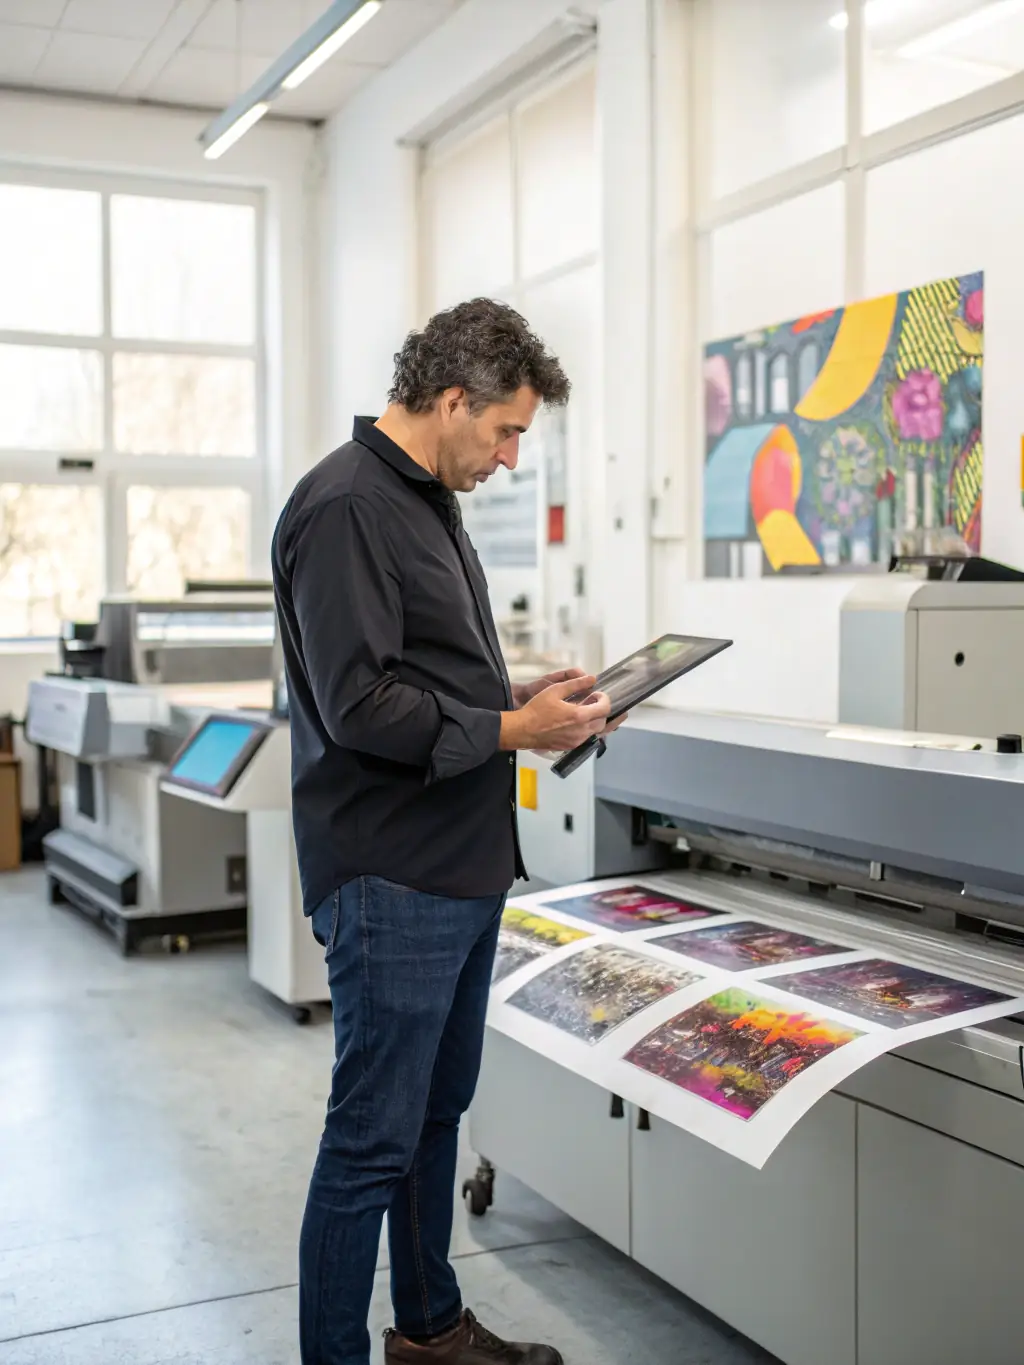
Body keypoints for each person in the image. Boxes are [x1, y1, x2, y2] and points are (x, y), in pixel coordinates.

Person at [272, 297, 620, 1365]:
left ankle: (429, 1330)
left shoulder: (426, 503)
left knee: (433, 1119)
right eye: (506, 431)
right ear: (454, 398)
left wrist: (523, 696)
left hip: (458, 869)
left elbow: (426, 675)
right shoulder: (346, 506)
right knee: (369, 1141)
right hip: (391, 875)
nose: (510, 458)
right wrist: (514, 729)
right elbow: (360, 706)